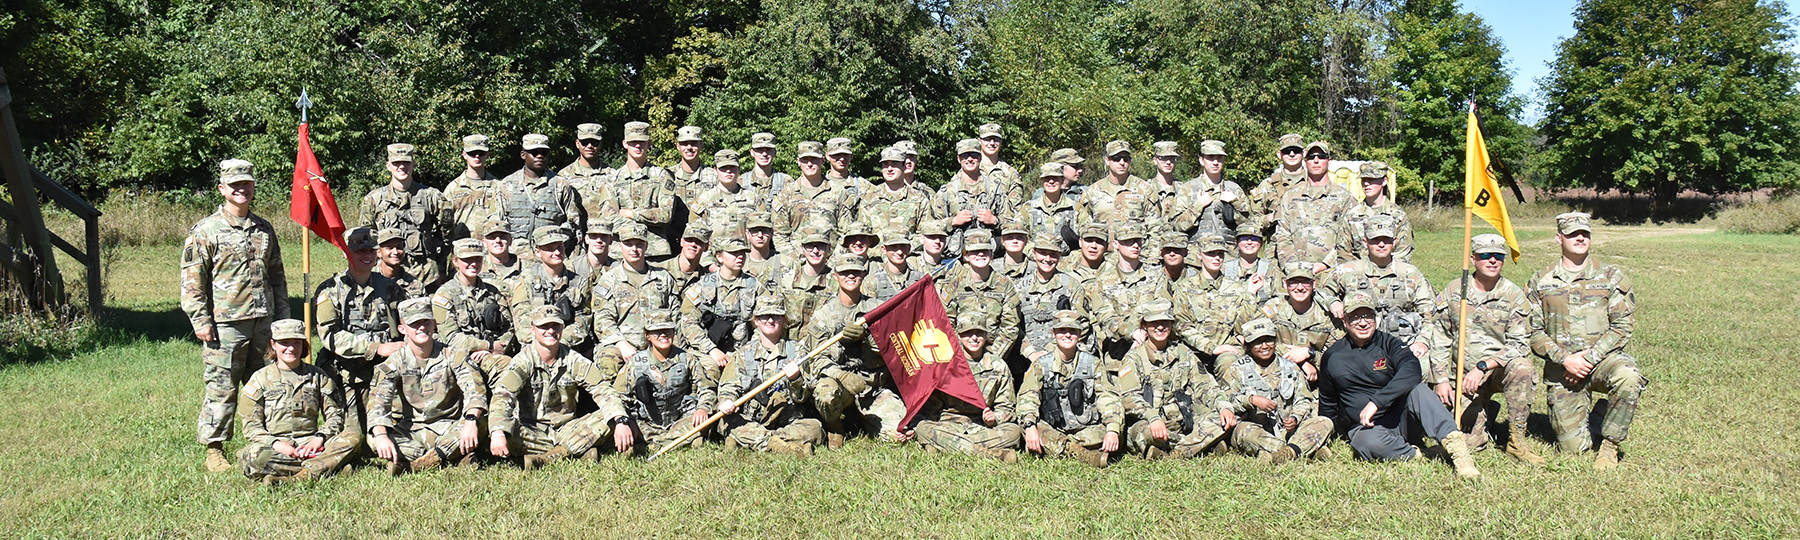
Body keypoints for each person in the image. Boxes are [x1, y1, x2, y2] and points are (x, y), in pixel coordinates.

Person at [182, 158, 291, 472]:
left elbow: (277, 278)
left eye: (246, 184)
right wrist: (201, 321)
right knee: (222, 386)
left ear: (254, 186)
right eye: (234, 185)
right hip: (225, 325)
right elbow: (192, 281)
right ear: (222, 189)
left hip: (264, 323)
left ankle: (267, 441)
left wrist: (282, 320)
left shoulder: (264, 229)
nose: (241, 190)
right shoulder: (206, 230)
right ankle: (214, 448)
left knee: (268, 386)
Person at [1318, 292, 1481, 479]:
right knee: (1364, 443)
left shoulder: (1389, 344)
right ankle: (1422, 454)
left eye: (1367, 316)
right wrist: (1324, 437)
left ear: (1375, 318)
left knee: (1418, 389)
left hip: (1402, 420)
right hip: (1368, 428)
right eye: (1355, 317)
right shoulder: (1332, 356)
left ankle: (1458, 451)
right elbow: (1328, 403)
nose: (1363, 323)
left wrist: (1376, 402)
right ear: (1345, 321)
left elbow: (1411, 369)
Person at [1528, 212, 1645, 469]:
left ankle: (1609, 446)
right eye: (1572, 234)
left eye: (1585, 234)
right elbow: (1532, 331)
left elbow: (1622, 325)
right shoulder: (1542, 280)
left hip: (1603, 361)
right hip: (1564, 369)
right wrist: (1565, 360)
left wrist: (1589, 359)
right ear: (1559, 238)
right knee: (1574, 450)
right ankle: (1600, 414)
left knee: (1628, 375)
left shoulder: (1611, 277)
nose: (1580, 238)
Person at [1431, 234, 1546, 464]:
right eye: (1485, 255)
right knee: (1468, 445)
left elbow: (1519, 344)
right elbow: (1440, 336)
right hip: (1461, 377)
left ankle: (1516, 441)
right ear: (1473, 259)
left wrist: (1484, 367)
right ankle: (1487, 411)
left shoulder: (1513, 295)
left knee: (1523, 368)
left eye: (1498, 256)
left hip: (1496, 372)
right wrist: (1441, 379)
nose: (1492, 260)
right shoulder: (1455, 291)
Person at [488, 306, 633, 469]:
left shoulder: (573, 359)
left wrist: (620, 420)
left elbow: (601, 388)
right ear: (532, 329)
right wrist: (498, 433)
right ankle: (577, 451)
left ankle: (548, 457)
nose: (550, 331)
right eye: (544, 326)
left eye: (555, 326)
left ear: (562, 328)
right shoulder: (522, 362)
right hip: (532, 431)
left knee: (610, 416)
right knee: (504, 428)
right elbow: (503, 396)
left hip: (567, 429)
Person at [367, 298, 488, 474]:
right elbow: (378, 401)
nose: (421, 327)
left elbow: (474, 390)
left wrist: (470, 420)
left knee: (480, 421)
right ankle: (448, 456)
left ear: (434, 324)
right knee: (373, 437)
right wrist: (381, 435)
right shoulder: (394, 362)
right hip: (414, 431)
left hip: (451, 426)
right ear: (403, 329)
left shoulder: (453, 355)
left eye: (426, 321)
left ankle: (417, 464)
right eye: (414, 323)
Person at [237, 319, 358, 485]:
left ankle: (298, 475)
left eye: (297, 342)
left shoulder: (318, 376)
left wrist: (320, 438)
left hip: (313, 444)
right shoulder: (259, 379)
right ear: (273, 344)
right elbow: (252, 427)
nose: (291, 348)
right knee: (253, 456)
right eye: (284, 343)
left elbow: (335, 416)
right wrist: (277, 444)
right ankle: (328, 467)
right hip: (277, 447)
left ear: (304, 344)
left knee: (353, 438)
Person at [312, 227, 402, 451]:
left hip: (384, 373)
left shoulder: (390, 287)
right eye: (360, 251)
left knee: (399, 428)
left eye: (371, 250)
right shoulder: (330, 290)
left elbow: (409, 324)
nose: (367, 256)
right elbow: (330, 336)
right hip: (347, 375)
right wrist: (377, 347)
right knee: (354, 437)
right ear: (346, 252)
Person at [803, 253, 904, 447]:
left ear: (864, 274)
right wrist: (840, 375)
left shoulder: (877, 309)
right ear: (835, 276)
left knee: (897, 436)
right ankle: (835, 427)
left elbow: (893, 349)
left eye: (856, 272)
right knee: (825, 393)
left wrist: (867, 338)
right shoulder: (824, 315)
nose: (851, 277)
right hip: (842, 388)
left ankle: (859, 420)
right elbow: (816, 359)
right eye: (845, 273)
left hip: (874, 390)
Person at [1322, 217, 1438, 386]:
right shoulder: (1348, 271)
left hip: (1401, 343)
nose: (1381, 244)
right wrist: (1333, 301)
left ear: (1395, 241)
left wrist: (1422, 341)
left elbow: (1428, 311)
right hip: (1359, 343)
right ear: (1365, 242)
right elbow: (1321, 290)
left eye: (1386, 240)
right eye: (1375, 240)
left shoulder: (1410, 274)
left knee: (1420, 369)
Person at [1115, 303, 1231, 460]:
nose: (1160, 327)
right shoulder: (1133, 358)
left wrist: (1223, 406)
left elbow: (1204, 385)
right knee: (1145, 434)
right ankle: (1202, 445)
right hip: (1149, 422)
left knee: (1221, 419)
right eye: (1154, 323)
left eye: (1165, 322)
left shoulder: (1183, 352)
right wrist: (1152, 417)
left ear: (1172, 325)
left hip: (1183, 419)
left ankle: (1177, 452)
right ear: (1145, 326)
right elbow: (1129, 398)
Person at [905, 313, 1022, 462]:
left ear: (986, 335)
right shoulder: (945, 363)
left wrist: (995, 418)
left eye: (979, 333)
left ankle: (944, 447)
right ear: (959, 336)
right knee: (923, 427)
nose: (974, 338)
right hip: (949, 425)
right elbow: (931, 407)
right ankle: (991, 454)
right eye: (968, 333)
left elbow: (1007, 407)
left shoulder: (998, 366)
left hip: (982, 427)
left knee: (1014, 432)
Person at [717, 296, 821, 456]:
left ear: (784, 320)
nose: (770, 320)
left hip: (788, 422)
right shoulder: (743, 354)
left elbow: (804, 397)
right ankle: (782, 447)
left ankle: (751, 440)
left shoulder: (798, 352)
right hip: (753, 420)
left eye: (776, 316)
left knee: (815, 428)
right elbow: (728, 386)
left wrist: (795, 380)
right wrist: (727, 401)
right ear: (756, 321)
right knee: (727, 421)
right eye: (765, 316)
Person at [1220, 318, 1334, 463]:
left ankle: (1284, 453)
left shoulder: (1290, 367)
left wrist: (1295, 418)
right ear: (1247, 346)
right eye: (1258, 342)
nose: (1264, 346)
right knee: (1242, 430)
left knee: (1324, 422)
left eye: (1269, 340)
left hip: (1288, 430)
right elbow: (1227, 401)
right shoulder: (1237, 369)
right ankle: (1303, 449)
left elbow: (1303, 400)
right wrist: (1251, 400)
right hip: (1258, 430)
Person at [1017, 311, 1122, 468]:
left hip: (1086, 430)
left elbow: (1108, 397)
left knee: (1107, 432)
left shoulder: (1094, 364)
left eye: (1072, 331)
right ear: (1054, 333)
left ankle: (1061, 447)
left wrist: (1112, 429)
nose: (1067, 335)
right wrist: (1030, 426)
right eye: (1062, 331)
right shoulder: (1041, 365)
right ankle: (1083, 454)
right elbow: (1028, 397)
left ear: (1079, 334)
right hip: (1053, 428)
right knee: (1030, 429)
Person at [615, 309, 717, 455]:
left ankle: (651, 447)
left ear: (674, 332)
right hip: (646, 423)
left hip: (681, 421)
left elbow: (706, 388)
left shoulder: (687, 358)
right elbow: (619, 396)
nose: (663, 335)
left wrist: (703, 409)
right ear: (647, 335)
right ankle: (678, 442)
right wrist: (624, 421)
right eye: (656, 331)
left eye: (667, 330)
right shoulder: (635, 363)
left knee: (702, 423)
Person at [358, 143, 453, 287]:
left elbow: (448, 233)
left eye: (406, 163)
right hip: (386, 276)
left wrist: (439, 266)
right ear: (388, 166)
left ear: (413, 164)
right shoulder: (374, 199)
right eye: (397, 163)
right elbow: (366, 239)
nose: (401, 167)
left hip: (426, 276)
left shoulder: (431, 196)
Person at [591, 221, 682, 368]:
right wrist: (621, 343)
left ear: (646, 246)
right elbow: (603, 319)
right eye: (628, 244)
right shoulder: (609, 280)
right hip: (623, 344)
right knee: (607, 358)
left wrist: (675, 347)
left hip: (659, 343)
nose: (634, 249)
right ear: (620, 246)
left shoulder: (663, 277)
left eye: (639, 244)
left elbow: (676, 316)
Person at [1172, 234, 1262, 372]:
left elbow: (1241, 327)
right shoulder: (1184, 287)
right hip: (1194, 349)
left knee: (1229, 365)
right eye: (1210, 253)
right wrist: (1211, 348)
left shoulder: (1236, 287)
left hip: (1227, 349)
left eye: (1220, 254)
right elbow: (1182, 325)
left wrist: (1250, 293)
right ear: (1200, 255)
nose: (1217, 258)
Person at [679, 235, 766, 370]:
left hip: (744, 351)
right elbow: (688, 323)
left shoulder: (755, 287)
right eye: (733, 253)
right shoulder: (703, 286)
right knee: (708, 368)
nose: (740, 257)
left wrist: (747, 351)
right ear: (719, 257)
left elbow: (764, 324)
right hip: (708, 351)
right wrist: (711, 349)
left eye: (742, 253)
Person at [1081, 224, 1167, 359]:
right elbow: (1105, 318)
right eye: (1128, 241)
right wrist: (1132, 331)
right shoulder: (1102, 281)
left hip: (1153, 353)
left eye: (1138, 241)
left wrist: (1143, 333)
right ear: (1115, 244)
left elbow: (1164, 309)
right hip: (1118, 356)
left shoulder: (1156, 276)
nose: (1135, 245)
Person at [432, 238, 514, 378]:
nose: (474, 263)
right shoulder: (444, 294)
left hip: (492, 354)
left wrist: (499, 347)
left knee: (511, 369)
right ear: (455, 261)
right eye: (467, 259)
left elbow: (509, 327)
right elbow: (451, 338)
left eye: (477, 258)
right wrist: (487, 346)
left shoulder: (492, 292)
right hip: (459, 356)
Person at [1271, 141, 1356, 272]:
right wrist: (1294, 268)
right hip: (1295, 276)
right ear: (1305, 162)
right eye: (1311, 157)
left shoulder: (1345, 198)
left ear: (1329, 161)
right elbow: (1283, 237)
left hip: (1333, 272)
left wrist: (1325, 264)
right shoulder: (1289, 198)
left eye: (1321, 156)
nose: (1316, 160)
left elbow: (1349, 240)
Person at [939, 230, 1022, 363]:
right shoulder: (953, 285)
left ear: (992, 254)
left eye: (985, 250)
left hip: (994, 356)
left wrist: (993, 358)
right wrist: (963, 357)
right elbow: (947, 323)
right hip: (960, 357)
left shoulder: (1004, 285)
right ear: (966, 256)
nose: (981, 254)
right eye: (975, 251)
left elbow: (1010, 326)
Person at [508, 226, 593, 352]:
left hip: (568, 348)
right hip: (534, 349)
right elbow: (522, 322)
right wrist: (544, 345)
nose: (557, 252)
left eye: (560, 247)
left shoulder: (579, 283)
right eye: (549, 249)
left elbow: (583, 321)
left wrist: (558, 342)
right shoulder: (526, 281)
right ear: (537, 251)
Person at [498, 134, 585, 253]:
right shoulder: (507, 185)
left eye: (544, 153)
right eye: (534, 152)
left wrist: (557, 241)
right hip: (515, 257)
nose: (540, 156)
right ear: (523, 155)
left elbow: (573, 223)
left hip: (551, 256)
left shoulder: (559, 185)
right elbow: (497, 222)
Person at [1013, 232, 1083, 380]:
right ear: (1034, 253)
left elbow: (1081, 322)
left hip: (1061, 359)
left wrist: (1051, 351)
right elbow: (1012, 325)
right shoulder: (1019, 288)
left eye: (1053, 255)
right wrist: (1031, 352)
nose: (1047, 259)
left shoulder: (1071, 285)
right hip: (1025, 360)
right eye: (1043, 253)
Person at [936, 138, 1019, 257]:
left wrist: (995, 221)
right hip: (955, 259)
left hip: (990, 258)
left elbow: (1013, 224)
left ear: (980, 157)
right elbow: (930, 227)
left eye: (974, 155)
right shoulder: (946, 192)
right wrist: (953, 222)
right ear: (959, 159)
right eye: (965, 155)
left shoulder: (995, 190)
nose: (970, 159)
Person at [606, 121, 680, 257]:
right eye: (633, 142)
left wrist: (632, 214)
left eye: (642, 141)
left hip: (655, 251)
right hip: (621, 252)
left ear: (649, 144)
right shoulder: (613, 179)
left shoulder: (662, 176)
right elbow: (609, 218)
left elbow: (666, 214)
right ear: (625, 144)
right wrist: (647, 218)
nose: (638, 145)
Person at [1256, 261, 1338, 382]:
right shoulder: (1273, 308)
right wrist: (1301, 363)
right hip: (1277, 376)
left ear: (1314, 284)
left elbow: (1337, 357)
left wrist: (1311, 354)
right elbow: (1256, 340)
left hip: (1320, 380)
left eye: (1305, 282)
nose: (1300, 287)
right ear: (1285, 283)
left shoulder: (1328, 315)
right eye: (1293, 282)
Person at [773, 141, 857, 253]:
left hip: (831, 263)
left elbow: (846, 234)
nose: (809, 164)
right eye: (805, 160)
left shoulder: (839, 193)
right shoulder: (786, 194)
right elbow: (780, 235)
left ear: (822, 160)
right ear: (798, 162)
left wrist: (835, 262)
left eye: (814, 159)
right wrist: (793, 262)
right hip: (796, 264)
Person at [1076, 140, 1161, 233]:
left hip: (1135, 246)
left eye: (1126, 159)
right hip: (1103, 246)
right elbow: (1083, 228)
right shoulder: (1092, 191)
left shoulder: (1145, 190)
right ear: (1107, 161)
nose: (1122, 162)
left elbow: (1155, 229)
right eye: (1116, 158)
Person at [769, 226, 835, 340]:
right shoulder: (786, 280)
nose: (815, 251)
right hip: (788, 346)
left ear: (828, 248)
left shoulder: (836, 282)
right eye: (810, 246)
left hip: (821, 346)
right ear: (801, 249)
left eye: (820, 246)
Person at [1176, 139, 1249, 241]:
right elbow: (1177, 226)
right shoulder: (1188, 189)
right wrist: (1198, 206)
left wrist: (1235, 203)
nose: (1215, 162)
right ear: (1201, 160)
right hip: (1197, 253)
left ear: (1224, 160)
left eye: (1220, 158)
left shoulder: (1234, 189)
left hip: (1228, 253)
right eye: (1210, 157)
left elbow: (1250, 225)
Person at [859, 146, 939, 237]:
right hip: (877, 251)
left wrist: (902, 247)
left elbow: (926, 234)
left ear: (904, 166)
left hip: (908, 251)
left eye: (894, 164)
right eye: (885, 164)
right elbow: (862, 235)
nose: (889, 169)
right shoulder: (869, 199)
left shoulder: (920, 199)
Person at [1344, 161, 1415, 262]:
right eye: (1363, 179)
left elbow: (1403, 253)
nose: (1366, 184)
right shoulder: (1352, 216)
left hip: (1390, 275)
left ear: (1384, 181)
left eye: (1372, 179)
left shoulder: (1398, 215)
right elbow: (1343, 253)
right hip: (1358, 274)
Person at [690, 149, 765, 242]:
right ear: (716, 170)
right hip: (713, 254)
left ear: (738, 169)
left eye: (732, 167)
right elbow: (695, 234)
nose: (728, 171)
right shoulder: (704, 200)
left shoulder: (753, 199)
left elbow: (763, 231)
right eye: (723, 168)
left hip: (744, 254)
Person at [444, 134, 504, 240]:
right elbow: (444, 223)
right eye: (472, 153)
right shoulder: (453, 188)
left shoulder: (498, 187)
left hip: (490, 250)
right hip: (463, 250)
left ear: (487, 155)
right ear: (464, 155)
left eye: (481, 153)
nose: (477, 157)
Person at [1249, 133, 1307, 232]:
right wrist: (1270, 218)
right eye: (1287, 151)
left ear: (1304, 153)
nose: (1292, 154)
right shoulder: (1267, 185)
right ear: (1279, 155)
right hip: (1278, 245)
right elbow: (1252, 222)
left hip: (1310, 244)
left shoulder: (1314, 182)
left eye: (1296, 150)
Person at [559, 123, 615, 223]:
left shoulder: (612, 175)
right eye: (585, 142)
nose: (590, 146)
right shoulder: (563, 176)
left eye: (594, 142)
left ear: (601, 144)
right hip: (575, 234)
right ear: (577, 143)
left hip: (603, 235)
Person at [1020, 162, 1078, 252]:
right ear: (1042, 181)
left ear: (1062, 180)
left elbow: (1086, 238)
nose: (1051, 181)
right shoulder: (1028, 208)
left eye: (1055, 178)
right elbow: (1018, 237)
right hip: (1035, 261)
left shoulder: (1075, 208)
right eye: (1047, 178)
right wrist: (1035, 253)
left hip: (1068, 262)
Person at [1223, 221, 1280, 305]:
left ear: (1261, 243)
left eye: (1254, 239)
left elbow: (1280, 300)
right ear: (1236, 242)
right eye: (1244, 239)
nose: (1249, 242)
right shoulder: (1225, 268)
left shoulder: (1271, 268)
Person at [866, 226, 927, 303]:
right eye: (894, 247)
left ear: (909, 249)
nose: (899, 252)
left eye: (903, 247)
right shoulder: (872, 282)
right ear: (884, 249)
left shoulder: (921, 279)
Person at [976, 123, 1024, 204]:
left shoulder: (1011, 174)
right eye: (987, 139)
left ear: (1001, 142)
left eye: (996, 139)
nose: (992, 143)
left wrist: (993, 217)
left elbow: (1015, 208)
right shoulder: (969, 170)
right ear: (979, 141)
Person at [657, 223, 713, 293]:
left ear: (706, 247)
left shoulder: (707, 280)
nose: (693, 244)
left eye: (699, 241)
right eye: (689, 239)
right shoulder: (659, 271)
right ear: (681, 241)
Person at [375, 228, 426, 300]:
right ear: (379, 252)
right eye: (389, 248)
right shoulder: (368, 280)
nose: (395, 252)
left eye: (399, 247)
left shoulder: (415, 285)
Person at [670, 125, 714, 201]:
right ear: (678, 146)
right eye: (684, 143)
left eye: (694, 143)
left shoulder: (713, 176)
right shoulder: (668, 175)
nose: (689, 147)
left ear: (701, 146)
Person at [477, 219, 522, 288]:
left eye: (502, 237)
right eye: (492, 237)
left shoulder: (524, 267)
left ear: (510, 240)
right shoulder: (477, 267)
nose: (498, 240)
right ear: (484, 242)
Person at [1147, 141, 1186, 222]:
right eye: (1163, 158)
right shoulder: (1147, 188)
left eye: (1172, 158)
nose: (1168, 162)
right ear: (1155, 160)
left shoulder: (1184, 189)